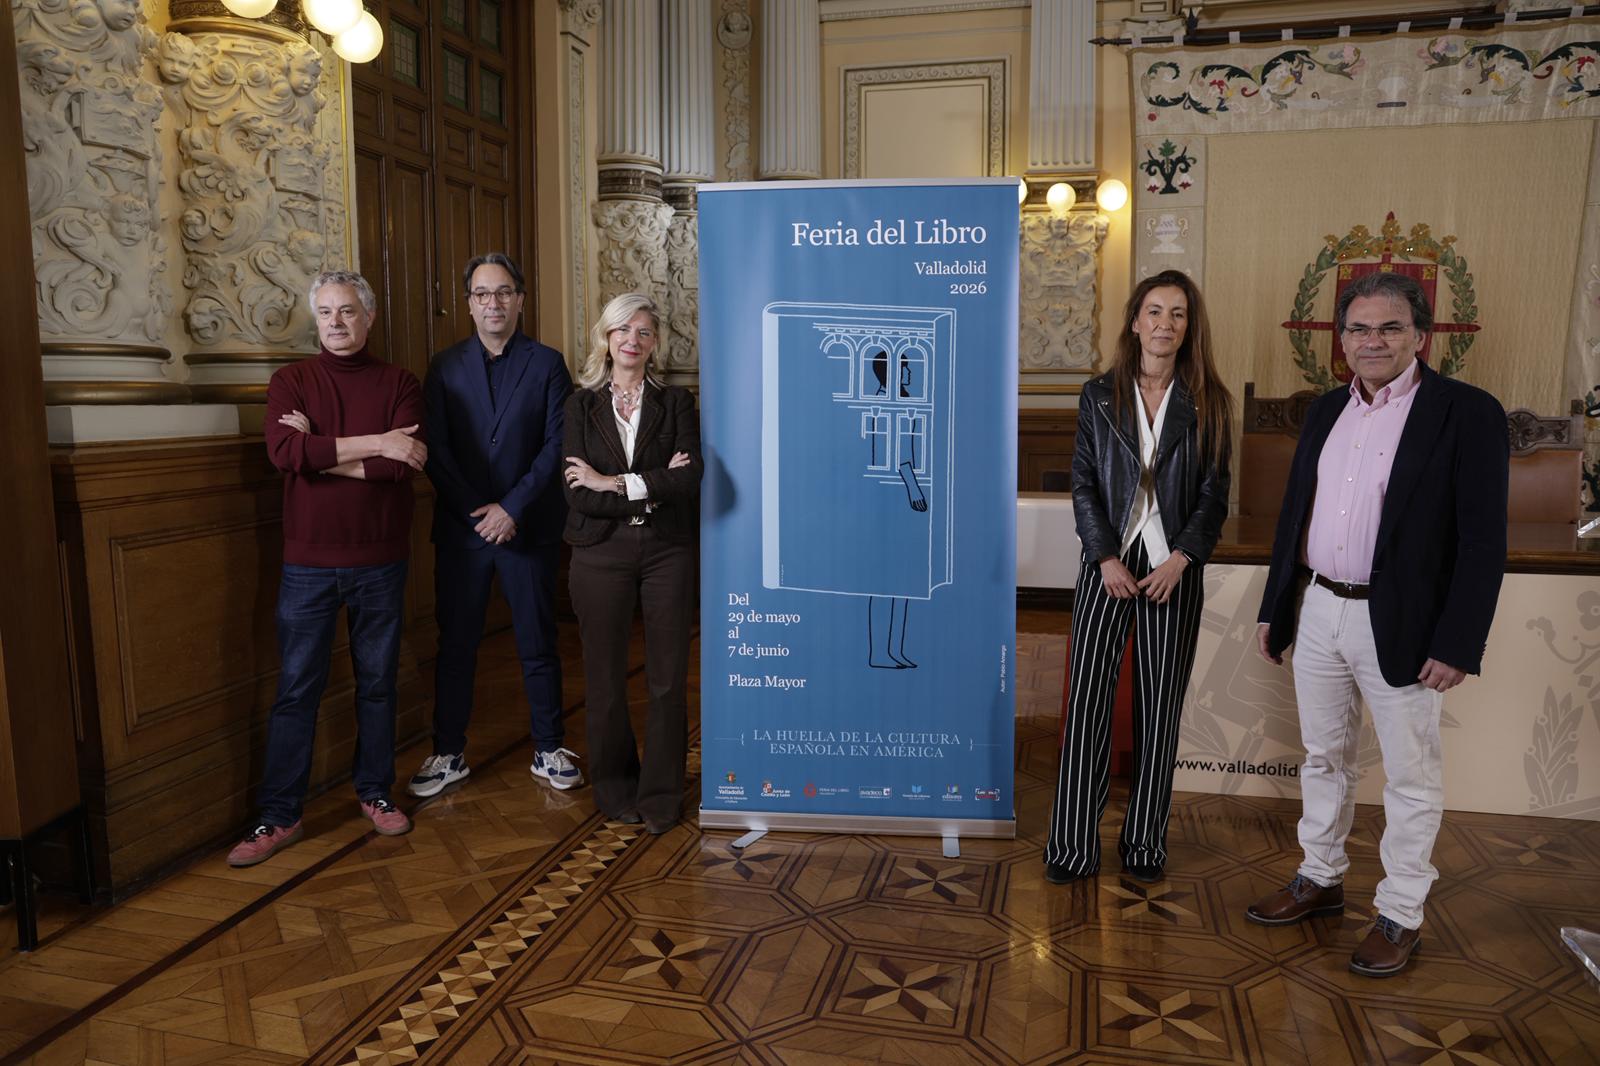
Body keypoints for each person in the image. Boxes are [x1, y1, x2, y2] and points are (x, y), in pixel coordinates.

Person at [1245, 271, 1509, 978]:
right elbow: (1294, 518)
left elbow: (1484, 543)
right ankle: (1320, 877)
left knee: (1411, 776)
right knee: (1322, 757)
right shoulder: (1326, 410)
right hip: (1319, 608)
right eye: (1359, 329)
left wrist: (1458, 642)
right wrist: (1276, 607)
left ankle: (1400, 912)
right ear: (1341, 340)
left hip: (1406, 623)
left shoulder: (1466, 412)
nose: (1373, 341)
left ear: (1420, 335)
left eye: (1390, 327)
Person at [228, 270, 426, 866]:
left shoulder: (401, 382)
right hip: (308, 565)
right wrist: (376, 441)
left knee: (378, 684)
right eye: (325, 313)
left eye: (347, 311)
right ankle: (279, 815)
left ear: (369, 317)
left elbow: (400, 467)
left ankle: (375, 791)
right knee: (296, 691)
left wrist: (321, 451)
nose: (336, 323)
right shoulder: (291, 381)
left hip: (380, 560)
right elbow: (285, 452)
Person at [1044, 269, 1233, 886]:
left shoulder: (1210, 401)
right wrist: (1103, 556)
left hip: (1173, 571)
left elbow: (1214, 495)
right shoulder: (1099, 396)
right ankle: (1072, 845)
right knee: (1088, 706)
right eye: (1154, 311)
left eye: (1178, 314)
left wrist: (1182, 559)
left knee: (1159, 709)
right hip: (1109, 567)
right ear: (1134, 322)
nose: (1165, 324)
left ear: (1189, 327)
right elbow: (1082, 484)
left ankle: (1145, 842)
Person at [408, 254, 578, 799]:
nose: (493, 303)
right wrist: (479, 512)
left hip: (527, 527)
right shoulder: (444, 366)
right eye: (482, 294)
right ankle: (448, 752)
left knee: (538, 641)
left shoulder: (548, 363)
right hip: (464, 531)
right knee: (456, 646)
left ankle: (549, 747)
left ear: (520, 299)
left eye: (503, 292)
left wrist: (512, 508)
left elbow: (558, 445)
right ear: (469, 304)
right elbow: (435, 448)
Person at [562, 293, 702, 834]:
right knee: (604, 678)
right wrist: (647, 485)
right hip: (600, 552)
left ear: (655, 342)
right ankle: (615, 789)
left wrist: (612, 482)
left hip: (667, 551)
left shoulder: (677, 402)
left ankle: (662, 795)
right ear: (606, 337)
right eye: (622, 329)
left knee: (667, 678)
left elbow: (688, 477)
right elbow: (578, 493)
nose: (632, 340)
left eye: (643, 332)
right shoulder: (580, 406)